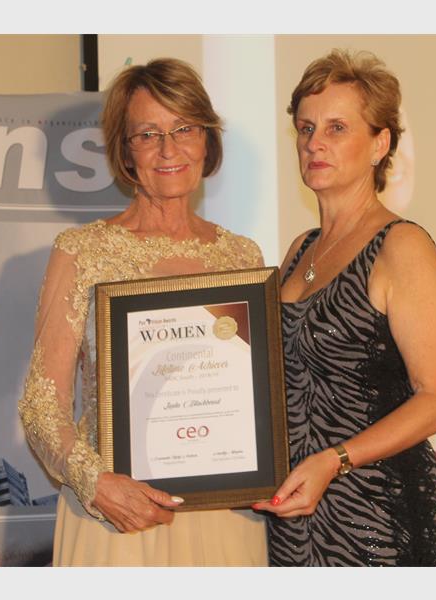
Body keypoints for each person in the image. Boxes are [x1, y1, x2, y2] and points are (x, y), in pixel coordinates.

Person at [18, 58, 267, 566]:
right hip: (118, 519)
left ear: (207, 139)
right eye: (148, 134)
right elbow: (41, 405)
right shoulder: (82, 251)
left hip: (225, 515)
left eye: (184, 128)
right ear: (125, 150)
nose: (169, 149)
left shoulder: (243, 256)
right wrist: (96, 483)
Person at [253, 50, 436, 566]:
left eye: (337, 128)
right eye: (306, 128)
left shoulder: (401, 246)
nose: (314, 142)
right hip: (293, 513)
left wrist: (337, 459)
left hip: (374, 513)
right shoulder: (299, 250)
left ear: (380, 144)